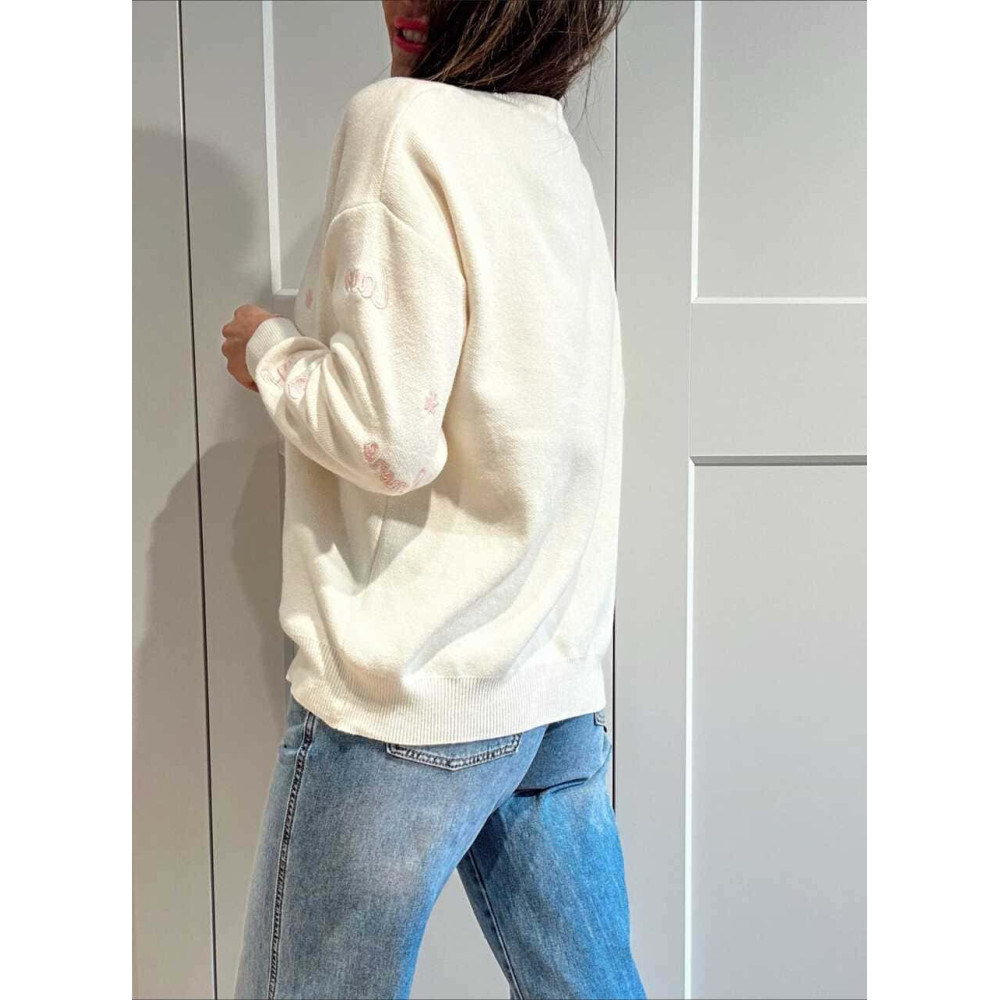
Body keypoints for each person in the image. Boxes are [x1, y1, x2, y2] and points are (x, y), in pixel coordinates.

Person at [222, 2, 644, 997]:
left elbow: (388, 438)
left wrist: (272, 352)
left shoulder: (400, 121)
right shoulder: (542, 139)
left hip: (412, 695)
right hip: (549, 680)